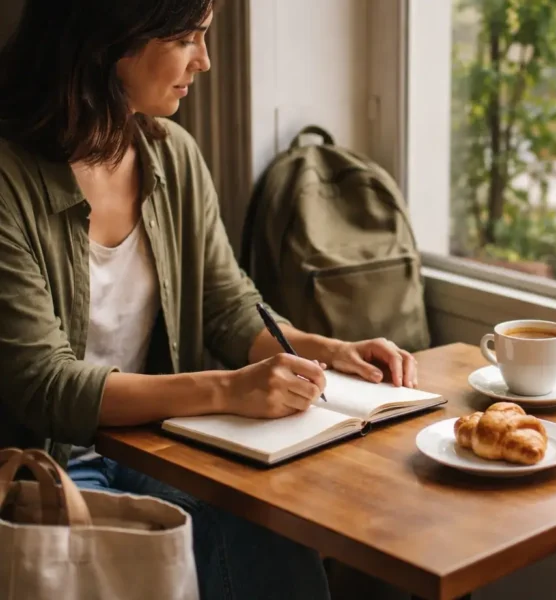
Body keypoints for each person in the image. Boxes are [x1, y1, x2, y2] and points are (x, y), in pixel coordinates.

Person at [0, 1, 417, 598]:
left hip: (160, 446)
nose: (206, 60)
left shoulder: (172, 153)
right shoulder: (8, 178)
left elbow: (226, 304)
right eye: (188, 38)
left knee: (279, 530)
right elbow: (41, 383)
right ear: (113, 39)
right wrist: (229, 388)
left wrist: (324, 347)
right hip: (47, 462)